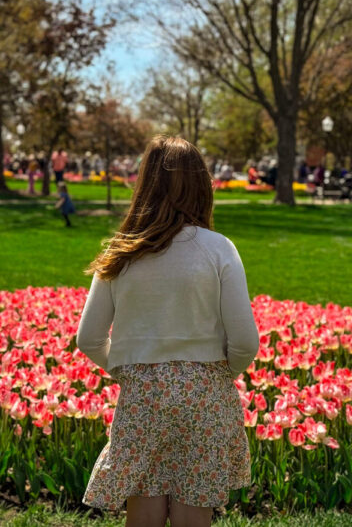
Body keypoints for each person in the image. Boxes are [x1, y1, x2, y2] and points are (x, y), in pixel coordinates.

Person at [76, 135, 259, 527]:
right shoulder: (218, 249)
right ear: (201, 185)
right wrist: (221, 372)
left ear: (144, 185)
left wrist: (130, 368)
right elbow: (245, 340)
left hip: (144, 391)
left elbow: (89, 338)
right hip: (205, 388)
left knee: (144, 497)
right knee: (195, 500)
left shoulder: (122, 253)